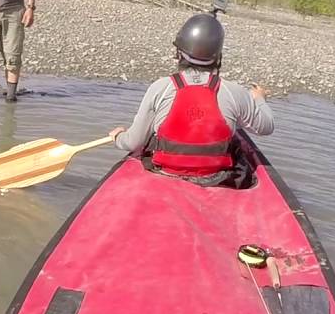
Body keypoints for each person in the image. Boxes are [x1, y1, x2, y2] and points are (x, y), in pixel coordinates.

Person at [108, 12, 274, 187]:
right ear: (218, 57)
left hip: (164, 172)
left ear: (178, 53)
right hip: (216, 177)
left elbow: (134, 142)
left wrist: (119, 137)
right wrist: (259, 99)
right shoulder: (234, 92)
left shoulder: (160, 88)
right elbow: (266, 127)